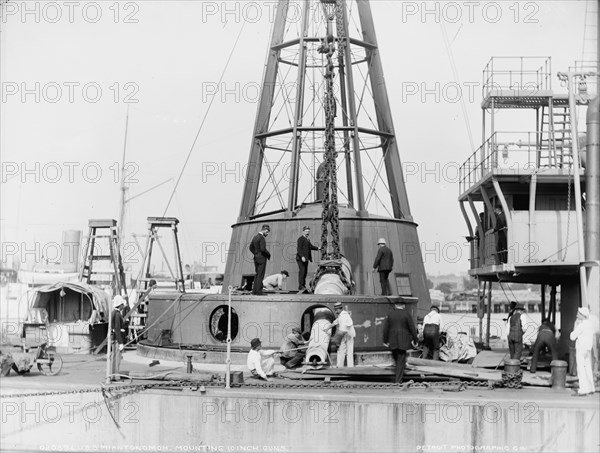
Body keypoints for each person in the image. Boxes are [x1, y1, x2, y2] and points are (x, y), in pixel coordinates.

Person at [383, 301, 418, 384]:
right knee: (401, 361)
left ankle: (396, 377)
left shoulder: (390, 314)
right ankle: (398, 381)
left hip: (392, 341)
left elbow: (385, 329)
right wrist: (415, 340)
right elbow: (412, 328)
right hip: (403, 341)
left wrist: (385, 340)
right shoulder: (407, 314)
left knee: (397, 361)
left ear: (395, 305)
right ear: (403, 305)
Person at [570, 307, 596, 396]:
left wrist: (575, 325)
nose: (577, 314)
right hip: (588, 349)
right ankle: (591, 387)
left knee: (580, 368)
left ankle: (583, 389)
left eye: (578, 313)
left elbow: (572, 336)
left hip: (581, 348)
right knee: (588, 368)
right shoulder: (590, 324)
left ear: (582, 315)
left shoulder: (581, 325)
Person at [326, 302, 356, 367]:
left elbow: (342, 331)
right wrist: (327, 327)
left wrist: (335, 340)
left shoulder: (344, 316)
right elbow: (336, 322)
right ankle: (339, 367)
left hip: (349, 336)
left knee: (349, 352)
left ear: (340, 309)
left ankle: (350, 368)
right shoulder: (341, 315)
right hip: (345, 335)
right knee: (341, 351)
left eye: (336, 310)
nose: (336, 311)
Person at [249, 225, 271, 295]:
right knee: (260, 275)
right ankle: (259, 291)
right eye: (267, 232)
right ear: (265, 230)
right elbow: (263, 249)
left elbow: (250, 247)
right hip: (262, 258)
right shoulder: (262, 238)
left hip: (256, 258)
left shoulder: (255, 237)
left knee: (257, 274)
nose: (267, 234)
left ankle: (254, 291)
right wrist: (268, 255)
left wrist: (256, 253)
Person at [296, 226, 319, 292]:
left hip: (306, 259)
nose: (307, 232)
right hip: (301, 259)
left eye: (308, 231)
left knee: (305, 272)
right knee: (302, 272)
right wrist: (302, 256)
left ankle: (303, 285)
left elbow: (311, 246)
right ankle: (301, 286)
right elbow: (299, 249)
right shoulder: (300, 239)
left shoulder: (307, 239)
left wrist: (318, 248)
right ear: (303, 231)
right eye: (306, 231)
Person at [111, 295, 127, 381]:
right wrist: (121, 342)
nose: (123, 306)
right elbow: (117, 328)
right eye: (122, 304)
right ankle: (116, 376)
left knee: (113, 358)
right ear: (120, 304)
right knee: (117, 358)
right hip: (117, 339)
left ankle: (112, 375)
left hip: (114, 338)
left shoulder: (114, 313)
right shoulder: (117, 314)